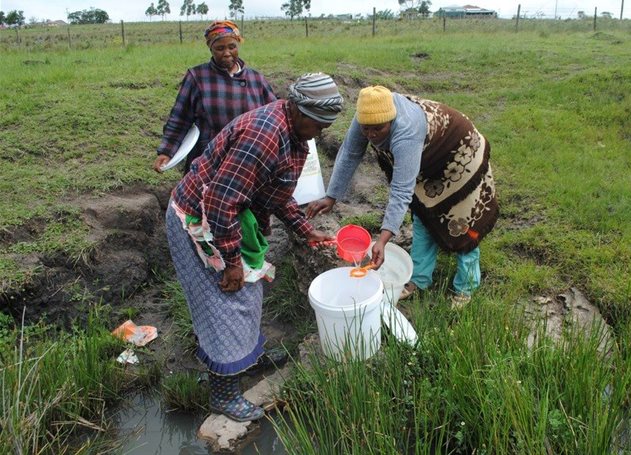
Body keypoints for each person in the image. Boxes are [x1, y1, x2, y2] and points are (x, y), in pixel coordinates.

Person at [165, 73, 344, 421]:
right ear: (296, 108)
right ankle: (223, 395)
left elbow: (275, 190)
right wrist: (232, 261)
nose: (321, 132)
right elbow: (220, 201)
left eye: (327, 125)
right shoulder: (263, 136)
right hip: (200, 221)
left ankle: (247, 356)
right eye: (319, 123)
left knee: (248, 295)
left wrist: (305, 230)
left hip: (229, 216)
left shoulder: (293, 130)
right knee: (225, 306)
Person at [306, 86, 498, 309]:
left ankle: (466, 286)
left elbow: (401, 190)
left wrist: (384, 238)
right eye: (366, 129)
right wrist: (331, 196)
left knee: (463, 225)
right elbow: (350, 153)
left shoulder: (406, 133)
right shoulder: (367, 115)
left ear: (391, 119)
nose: (371, 134)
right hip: (427, 161)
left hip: (460, 154)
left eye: (378, 129)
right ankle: (419, 279)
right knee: (424, 215)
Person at [153, 20, 277, 174]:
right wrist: (166, 151)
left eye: (232, 47)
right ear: (210, 48)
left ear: (238, 45)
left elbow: (276, 118)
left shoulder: (256, 79)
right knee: (205, 196)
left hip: (248, 157)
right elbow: (180, 117)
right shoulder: (197, 77)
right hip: (207, 157)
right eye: (220, 48)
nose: (227, 53)